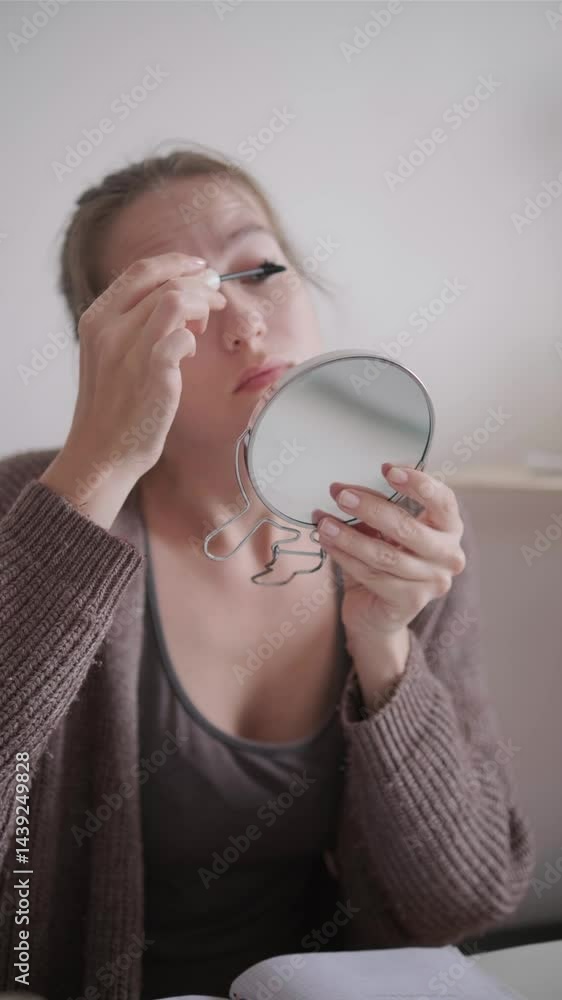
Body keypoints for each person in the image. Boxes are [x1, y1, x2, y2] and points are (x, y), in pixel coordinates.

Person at [0, 146, 534, 1000]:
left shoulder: (403, 540)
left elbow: (459, 906)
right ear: (108, 352)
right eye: (178, 302)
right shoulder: (31, 510)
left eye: (261, 270)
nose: (244, 323)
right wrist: (94, 469)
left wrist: (386, 651)